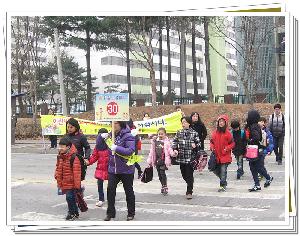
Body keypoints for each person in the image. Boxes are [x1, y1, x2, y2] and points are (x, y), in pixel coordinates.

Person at [99, 121, 136, 221]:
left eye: (115, 123)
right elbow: (100, 147)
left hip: (126, 169)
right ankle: (110, 213)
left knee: (128, 191)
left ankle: (131, 213)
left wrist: (117, 148)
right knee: (110, 190)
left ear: (121, 124)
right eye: (111, 123)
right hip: (113, 169)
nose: (112, 125)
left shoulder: (128, 135)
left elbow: (130, 150)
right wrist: (101, 137)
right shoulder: (110, 136)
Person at [172, 116, 200, 200]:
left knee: (189, 174)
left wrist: (195, 146)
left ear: (189, 123)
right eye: (182, 122)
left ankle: (189, 191)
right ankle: (190, 182)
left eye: (184, 122)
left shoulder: (194, 133)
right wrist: (175, 149)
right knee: (184, 174)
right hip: (181, 157)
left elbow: (199, 144)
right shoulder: (179, 132)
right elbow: (175, 142)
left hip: (190, 158)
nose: (183, 124)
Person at [246, 110, 273, 192]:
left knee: (257, 167)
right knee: (253, 167)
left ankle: (268, 178)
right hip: (257, 150)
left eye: (249, 116)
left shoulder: (253, 126)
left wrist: (249, 141)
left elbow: (257, 137)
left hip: (255, 150)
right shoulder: (255, 125)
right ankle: (257, 184)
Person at [54, 136, 81, 221]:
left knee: (69, 198)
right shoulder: (60, 155)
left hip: (71, 182)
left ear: (68, 147)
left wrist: (77, 186)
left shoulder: (74, 157)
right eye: (60, 146)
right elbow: (58, 166)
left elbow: (77, 173)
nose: (60, 148)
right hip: (64, 181)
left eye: (62, 146)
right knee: (71, 198)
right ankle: (76, 212)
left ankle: (71, 213)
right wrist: (57, 174)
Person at [147, 127, 176, 196]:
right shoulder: (155, 142)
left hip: (163, 160)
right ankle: (162, 185)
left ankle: (165, 186)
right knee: (159, 174)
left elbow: (169, 150)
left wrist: (173, 153)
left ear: (165, 134)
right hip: (157, 160)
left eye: (162, 134)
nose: (160, 135)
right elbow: (151, 152)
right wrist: (150, 160)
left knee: (162, 173)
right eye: (159, 134)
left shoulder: (167, 142)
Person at [85, 128, 109, 207]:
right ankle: (101, 199)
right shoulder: (98, 146)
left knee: (111, 186)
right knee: (100, 185)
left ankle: (111, 199)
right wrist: (88, 162)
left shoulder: (110, 144)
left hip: (110, 169)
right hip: (100, 169)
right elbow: (94, 156)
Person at [210, 115, 235, 192]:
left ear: (225, 123)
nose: (221, 123)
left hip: (225, 156)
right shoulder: (214, 133)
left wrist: (226, 148)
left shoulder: (228, 133)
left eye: (222, 122)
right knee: (215, 170)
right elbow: (211, 142)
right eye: (219, 122)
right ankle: (223, 180)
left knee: (223, 170)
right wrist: (212, 147)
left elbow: (232, 144)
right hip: (216, 156)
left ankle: (222, 185)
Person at [257, 117, 274, 181]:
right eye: (259, 121)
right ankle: (263, 173)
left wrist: (269, 150)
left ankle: (261, 174)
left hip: (263, 150)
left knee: (260, 163)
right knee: (259, 163)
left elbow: (271, 141)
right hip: (257, 149)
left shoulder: (267, 131)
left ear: (264, 123)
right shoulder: (255, 130)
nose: (260, 123)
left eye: (262, 122)